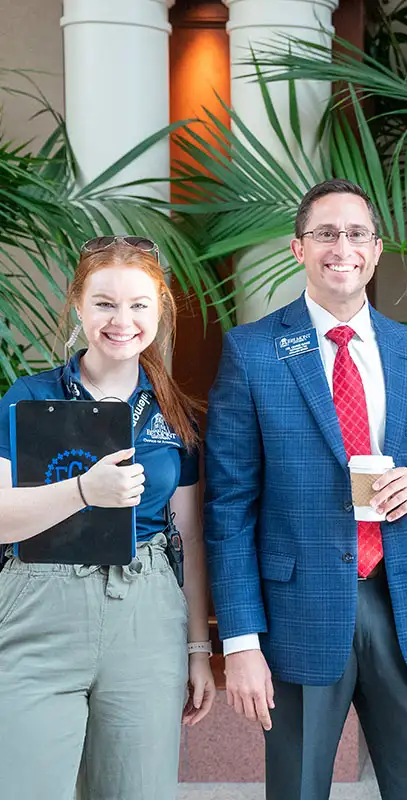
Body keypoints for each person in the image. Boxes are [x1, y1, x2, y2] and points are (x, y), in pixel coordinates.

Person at [204, 179, 407, 799]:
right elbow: (229, 507)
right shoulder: (253, 352)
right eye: (325, 233)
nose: (341, 246)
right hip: (297, 613)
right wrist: (240, 642)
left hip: (402, 599)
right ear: (299, 248)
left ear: (376, 250)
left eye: (356, 234)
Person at [0, 236, 215, 800]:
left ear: (159, 310)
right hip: (39, 605)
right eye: (104, 303)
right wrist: (83, 490)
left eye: (139, 305)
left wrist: (198, 649)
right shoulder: (29, 398)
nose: (122, 321)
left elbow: (188, 535)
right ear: (77, 304)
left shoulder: (173, 412)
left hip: (145, 612)